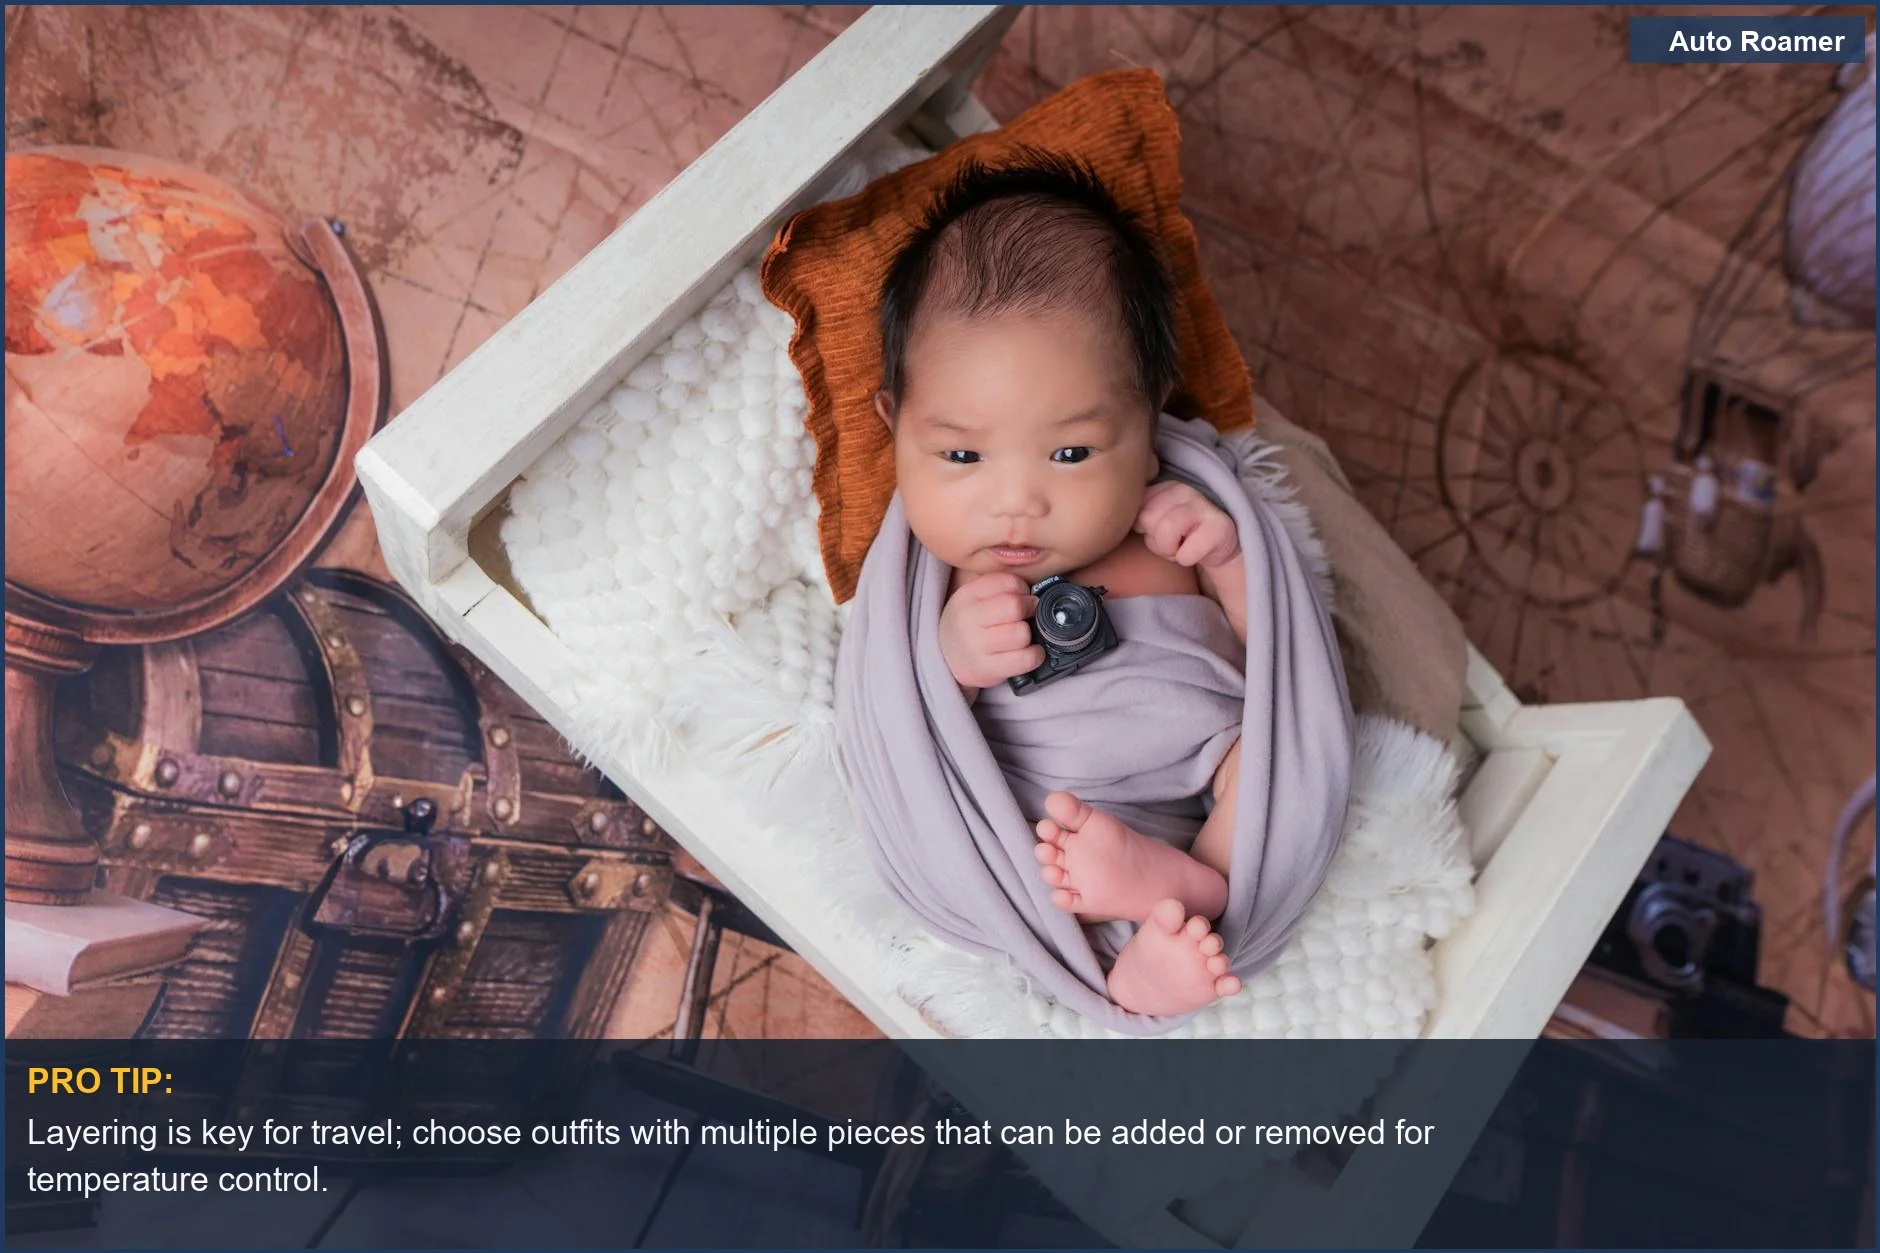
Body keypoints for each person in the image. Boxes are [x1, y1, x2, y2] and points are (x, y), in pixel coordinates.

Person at [869, 151, 1272, 1015]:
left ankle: (1194, 889)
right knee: (1031, 849)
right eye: (962, 455)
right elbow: (908, 722)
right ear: (892, 422)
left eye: (1071, 453)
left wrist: (1229, 558)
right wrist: (955, 658)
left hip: (1201, 760)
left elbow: (1270, 652)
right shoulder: (935, 581)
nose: (1016, 503)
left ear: (1148, 413)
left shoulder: (1173, 514)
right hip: (1053, 796)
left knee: (1270, 763)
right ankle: (1149, 933)